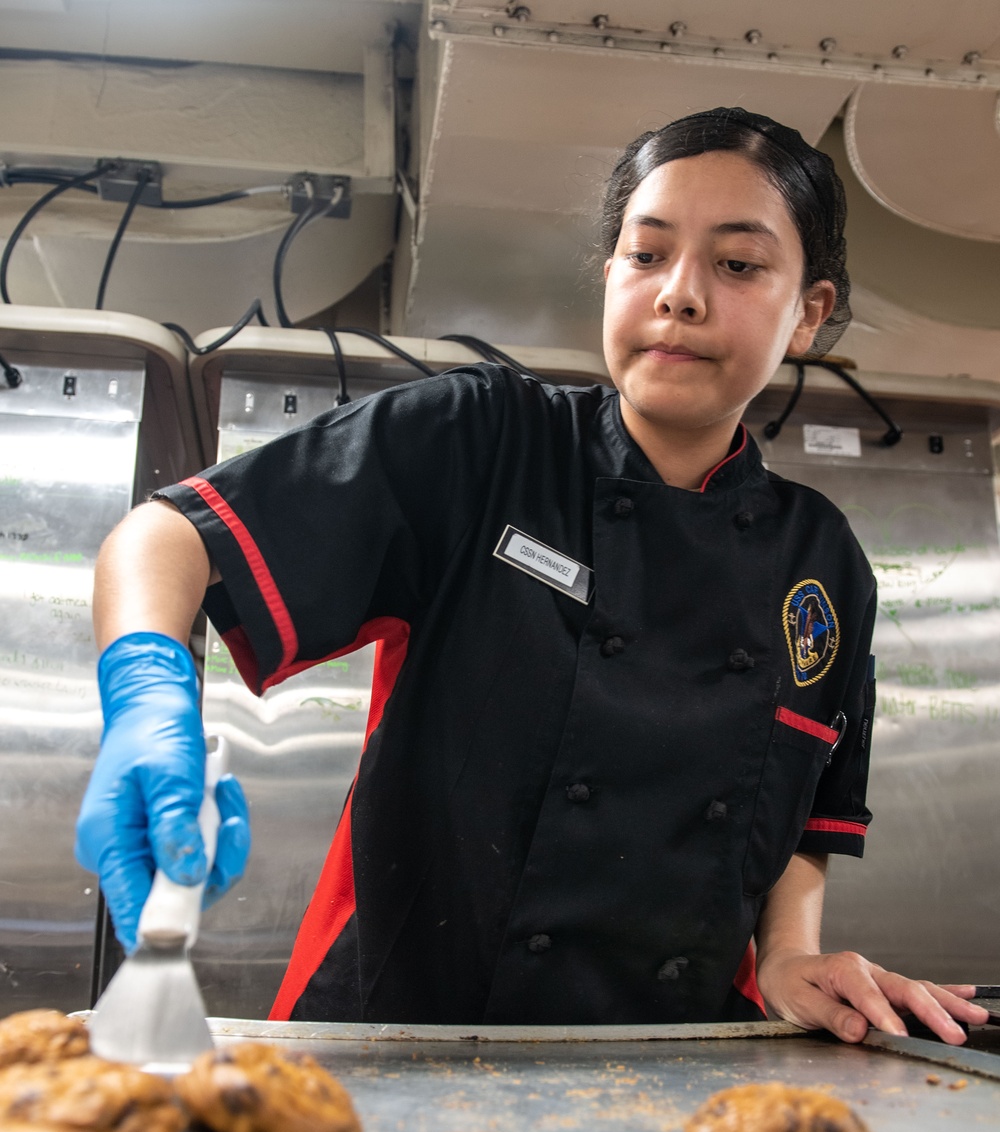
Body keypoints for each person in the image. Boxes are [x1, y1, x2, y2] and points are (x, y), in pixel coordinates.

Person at [76, 106, 987, 1046]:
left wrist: (793, 956)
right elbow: (166, 537)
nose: (679, 294)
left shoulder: (822, 563)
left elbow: (808, 817)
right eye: (646, 255)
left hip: (677, 1074)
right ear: (609, 277)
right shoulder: (480, 441)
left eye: (739, 265)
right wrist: (148, 699)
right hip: (398, 1048)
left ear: (809, 312)